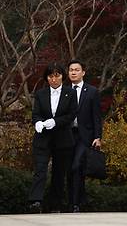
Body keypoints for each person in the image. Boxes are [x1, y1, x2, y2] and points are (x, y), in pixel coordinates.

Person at [28, 63, 77, 213]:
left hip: (62, 138)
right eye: (50, 76)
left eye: (57, 75)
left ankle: (55, 204)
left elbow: (71, 115)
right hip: (43, 138)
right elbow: (36, 113)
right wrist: (37, 123)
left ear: (63, 76)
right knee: (40, 169)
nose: (54, 79)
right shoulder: (41, 94)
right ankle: (35, 201)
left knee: (59, 172)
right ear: (46, 78)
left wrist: (55, 121)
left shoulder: (70, 93)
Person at [66, 60, 102, 213]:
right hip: (67, 135)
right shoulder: (64, 90)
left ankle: (75, 203)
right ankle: (76, 201)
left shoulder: (92, 91)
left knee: (76, 166)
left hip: (84, 136)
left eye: (76, 70)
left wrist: (98, 136)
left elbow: (96, 116)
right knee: (72, 169)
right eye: (71, 70)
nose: (73, 72)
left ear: (83, 72)